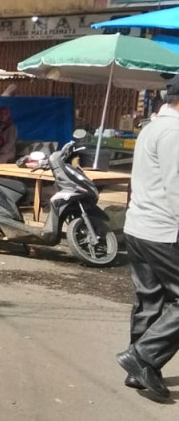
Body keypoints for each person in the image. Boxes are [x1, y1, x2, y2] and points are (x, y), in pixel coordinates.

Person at [115, 76, 179, 399]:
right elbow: (176, 188)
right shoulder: (174, 133)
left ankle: (139, 371)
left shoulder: (151, 128)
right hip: (163, 230)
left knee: (150, 299)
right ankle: (143, 357)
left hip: (139, 226)